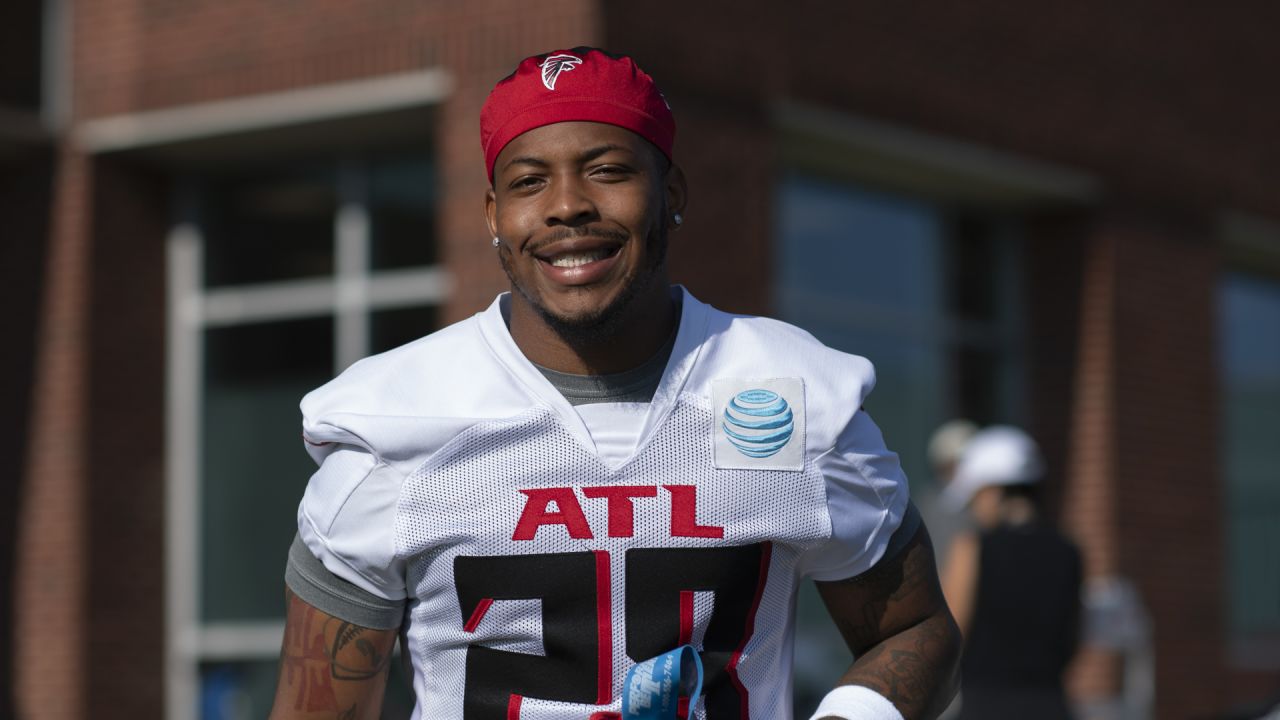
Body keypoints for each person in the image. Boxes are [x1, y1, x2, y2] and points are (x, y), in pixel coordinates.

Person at [269, 47, 960, 720]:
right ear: (493, 217)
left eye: (606, 170)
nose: (568, 205)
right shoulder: (397, 419)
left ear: (672, 193)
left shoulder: (787, 393)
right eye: (530, 181)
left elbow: (914, 628)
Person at [940, 426, 1083, 720]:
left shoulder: (972, 548)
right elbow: (1074, 640)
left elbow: (950, 634)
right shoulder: (1070, 552)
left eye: (974, 498)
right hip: (1053, 707)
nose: (974, 510)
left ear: (993, 491)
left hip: (985, 707)